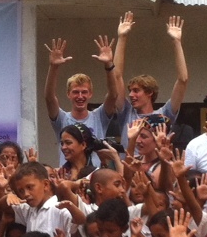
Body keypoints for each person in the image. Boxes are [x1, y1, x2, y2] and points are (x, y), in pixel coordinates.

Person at [43, 20, 124, 161]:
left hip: (93, 177)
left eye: (84, 92)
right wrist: (53, 67)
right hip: (68, 177)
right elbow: (49, 98)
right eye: (75, 92)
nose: (80, 96)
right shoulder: (62, 119)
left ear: (90, 94)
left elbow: (113, 95)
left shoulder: (99, 117)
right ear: (68, 94)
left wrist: (108, 64)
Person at [114, 16, 190, 148]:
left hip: (156, 167)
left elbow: (183, 80)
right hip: (129, 167)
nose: (131, 95)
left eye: (136, 90)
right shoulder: (126, 112)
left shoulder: (163, 115)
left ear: (149, 93)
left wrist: (176, 42)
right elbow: (116, 77)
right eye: (130, 91)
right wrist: (122, 38)